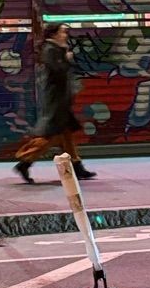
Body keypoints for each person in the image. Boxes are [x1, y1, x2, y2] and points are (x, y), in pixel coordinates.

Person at [14, 21, 96, 182]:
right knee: (49, 137)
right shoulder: (50, 50)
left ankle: (77, 166)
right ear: (54, 34)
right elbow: (57, 71)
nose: (65, 35)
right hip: (56, 101)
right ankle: (24, 161)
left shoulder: (55, 49)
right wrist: (66, 58)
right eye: (62, 32)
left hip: (61, 100)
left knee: (66, 136)